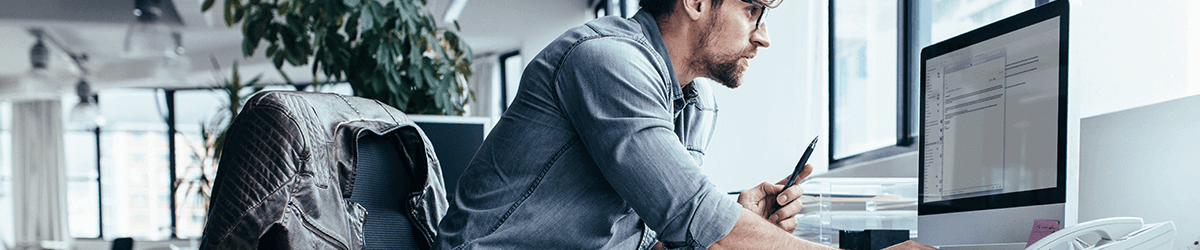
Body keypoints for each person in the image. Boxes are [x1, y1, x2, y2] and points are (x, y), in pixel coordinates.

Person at [433, 0, 934, 249]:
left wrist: (738, 215)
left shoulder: (694, 102)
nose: (764, 37)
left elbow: (669, 234)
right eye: (753, 10)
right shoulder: (606, 62)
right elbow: (695, 218)